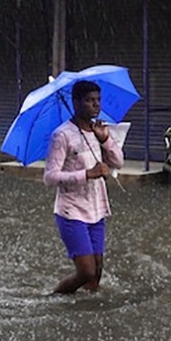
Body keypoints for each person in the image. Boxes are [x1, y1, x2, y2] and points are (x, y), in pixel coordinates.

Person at [43, 80, 125, 294]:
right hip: (72, 212)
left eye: (98, 100)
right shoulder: (62, 135)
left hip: (97, 209)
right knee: (86, 272)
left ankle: (88, 312)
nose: (95, 105)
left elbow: (118, 162)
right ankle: (53, 298)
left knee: (97, 271)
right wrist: (86, 174)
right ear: (76, 102)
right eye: (89, 101)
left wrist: (105, 140)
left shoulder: (99, 131)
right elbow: (50, 177)